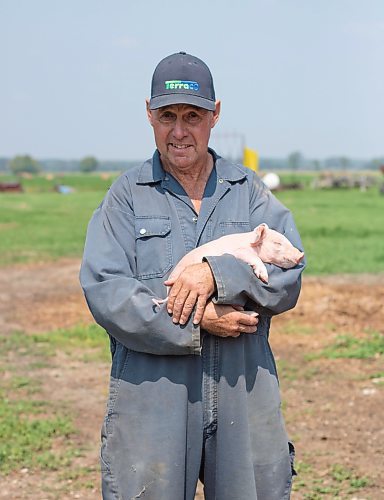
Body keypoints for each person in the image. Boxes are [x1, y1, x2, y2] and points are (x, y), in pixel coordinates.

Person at [80, 51, 305, 500]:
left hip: (244, 389)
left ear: (215, 115)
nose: (179, 131)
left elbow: (289, 275)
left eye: (193, 116)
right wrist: (196, 318)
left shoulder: (250, 194)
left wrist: (216, 274)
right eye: (167, 116)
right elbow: (106, 289)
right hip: (152, 394)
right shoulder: (125, 199)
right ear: (149, 115)